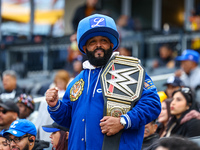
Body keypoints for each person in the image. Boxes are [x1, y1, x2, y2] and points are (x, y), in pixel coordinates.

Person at [45, 14, 161, 150]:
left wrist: (123, 121)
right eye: (92, 42)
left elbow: (152, 104)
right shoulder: (77, 81)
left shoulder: (130, 70)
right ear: (84, 47)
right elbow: (67, 120)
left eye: (103, 41)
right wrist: (55, 106)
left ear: (112, 44)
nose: (98, 45)